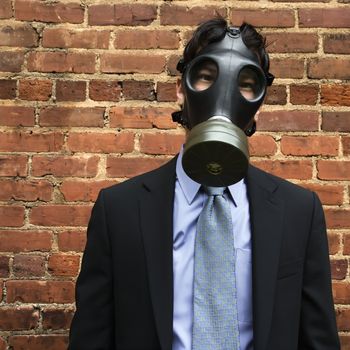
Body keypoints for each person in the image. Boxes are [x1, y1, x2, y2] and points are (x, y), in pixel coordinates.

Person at [68, 18, 340, 350]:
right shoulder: (120, 211)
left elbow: (317, 339)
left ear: (260, 101)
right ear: (181, 88)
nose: (222, 95)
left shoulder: (298, 212)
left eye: (246, 83)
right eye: (206, 77)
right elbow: (91, 339)